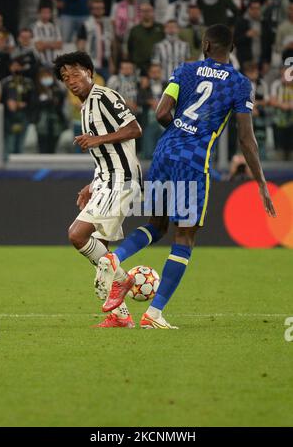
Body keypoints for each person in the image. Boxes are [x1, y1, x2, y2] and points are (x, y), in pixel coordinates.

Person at [95, 24, 276, 329]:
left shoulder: (185, 70)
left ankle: (115, 258)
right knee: (185, 236)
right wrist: (260, 182)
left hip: (165, 152)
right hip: (193, 161)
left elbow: (162, 113)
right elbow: (246, 138)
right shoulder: (240, 84)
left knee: (157, 224)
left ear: (205, 45)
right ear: (229, 49)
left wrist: (180, 132)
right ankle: (154, 314)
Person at [53, 51, 143, 328]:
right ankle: (121, 316)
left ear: (89, 72)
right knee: (99, 253)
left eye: (76, 73)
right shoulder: (84, 108)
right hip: (106, 179)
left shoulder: (105, 96)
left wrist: (97, 139)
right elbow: (105, 153)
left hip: (122, 178)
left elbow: (135, 128)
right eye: (65, 77)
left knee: (77, 235)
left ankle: (125, 280)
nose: (71, 80)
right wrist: (92, 184)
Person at [152, 19, 190, 84]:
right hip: (164, 81)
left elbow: (188, 64)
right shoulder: (158, 46)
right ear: (164, 29)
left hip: (181, 80)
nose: (171, 29)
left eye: (174, 27)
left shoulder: (185, 45)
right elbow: (156, 65)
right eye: (168, 27)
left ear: (178, 29)